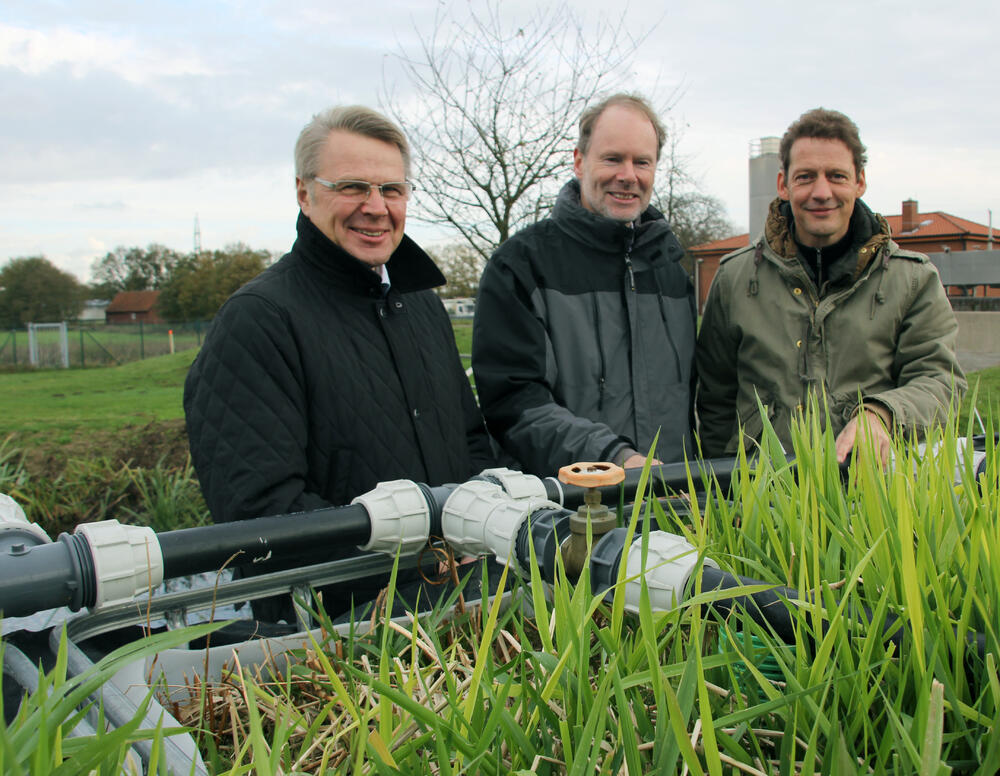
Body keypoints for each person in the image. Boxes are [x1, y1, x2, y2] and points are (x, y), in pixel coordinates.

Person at [184, 105, 496, 622]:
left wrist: (477, 526)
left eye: (392, 190)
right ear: (304, 194)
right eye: (352, 186)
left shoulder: (419, 302)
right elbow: (258, 508)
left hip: (454, 598)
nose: (376, 207)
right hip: (333, 632)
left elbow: (469, 439)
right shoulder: (259, 320)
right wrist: (405, 563)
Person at [696, 108, 965, 464]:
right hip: (760, 498)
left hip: (870, 495)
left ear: (860, 181)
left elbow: (940, 381)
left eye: (836, 176)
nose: (821, 192)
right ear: (783, 183)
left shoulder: (912, 278)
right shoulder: (735, 277)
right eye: (806, 177)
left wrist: (882, 412)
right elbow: (716, 399)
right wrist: (720, 492)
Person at [472, 93, 696, 476]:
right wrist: (614, 459)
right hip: (569, 514)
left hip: (673, 508)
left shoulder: (672, 273)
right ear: (579, 161)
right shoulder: (521, 265)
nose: (628, 175)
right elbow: (513, 405)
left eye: (642, 161)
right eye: (612, 158)